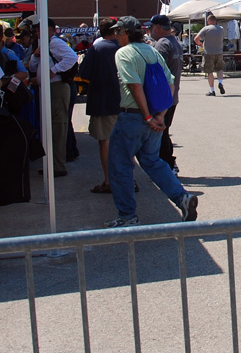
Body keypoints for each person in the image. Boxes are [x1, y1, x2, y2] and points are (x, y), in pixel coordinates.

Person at [104, 16, 199, 228]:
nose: (117, 36)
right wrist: (159, 116)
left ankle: (127, 216)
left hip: (132, 116)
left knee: (120, 165)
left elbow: (134, 86)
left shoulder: (124, 53)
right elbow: (170, 84)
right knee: (153, 162)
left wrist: (147, 116)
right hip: (155, 116)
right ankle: (181, 197)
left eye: (119, 32)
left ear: (126, 33)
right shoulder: (152, 51)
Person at [26, 17, 77, 179]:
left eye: (39, 29)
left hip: (57, 88)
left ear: (50, 29)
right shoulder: (45, 44)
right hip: (49, 88)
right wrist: (35, 55)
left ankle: (58, 165)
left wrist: (54, 70)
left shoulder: (54, 42)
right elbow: (34, 67)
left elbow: (71, 57)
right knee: (52, 127)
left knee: (58, 126)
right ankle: (52, 164)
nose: (36, 32)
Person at [78, 18, 121, 195]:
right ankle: (129, 178)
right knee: (125, 142)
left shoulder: (97, 48)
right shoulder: (124, 47)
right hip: (127, 102)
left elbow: (83, 73)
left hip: (103, 101)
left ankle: (109, 181)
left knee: (106, 142)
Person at [149, 14, 184, 171]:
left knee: (160, 133)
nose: (150, 31)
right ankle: (169, 164)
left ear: (157, 27)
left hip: (163, 97)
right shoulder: (174, 42)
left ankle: (168, 165)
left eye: (150, 28)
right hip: (172, 95)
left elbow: (158, 72)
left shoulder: (162, 44)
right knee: (164, 131)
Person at [195, 14, 227, 96]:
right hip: (219, 52)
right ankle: (220, 82)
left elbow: (196, 39)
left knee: (210, 72)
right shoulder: (221, 29)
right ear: (215, 21)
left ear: (208, 21)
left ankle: (212, 90)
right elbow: (223, 38)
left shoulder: (206, 29)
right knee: (219, 69)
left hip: (208, 53)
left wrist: (201, 44)